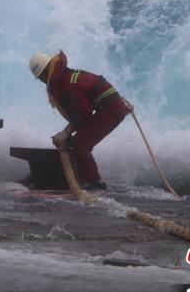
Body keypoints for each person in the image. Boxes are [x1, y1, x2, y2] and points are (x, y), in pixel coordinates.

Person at [29, 50, 131, 190]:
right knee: (74, 142)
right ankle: (76, 178)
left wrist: (66, 132)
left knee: (80, 144)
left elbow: (84, 116)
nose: (42, 81)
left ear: (47, 72)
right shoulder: (66, 77)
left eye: (41, 77)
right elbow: (82, 115)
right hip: (106, 107)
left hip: (112, 110)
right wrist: (68, 135)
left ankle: (94, 183)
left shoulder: (69, 84)